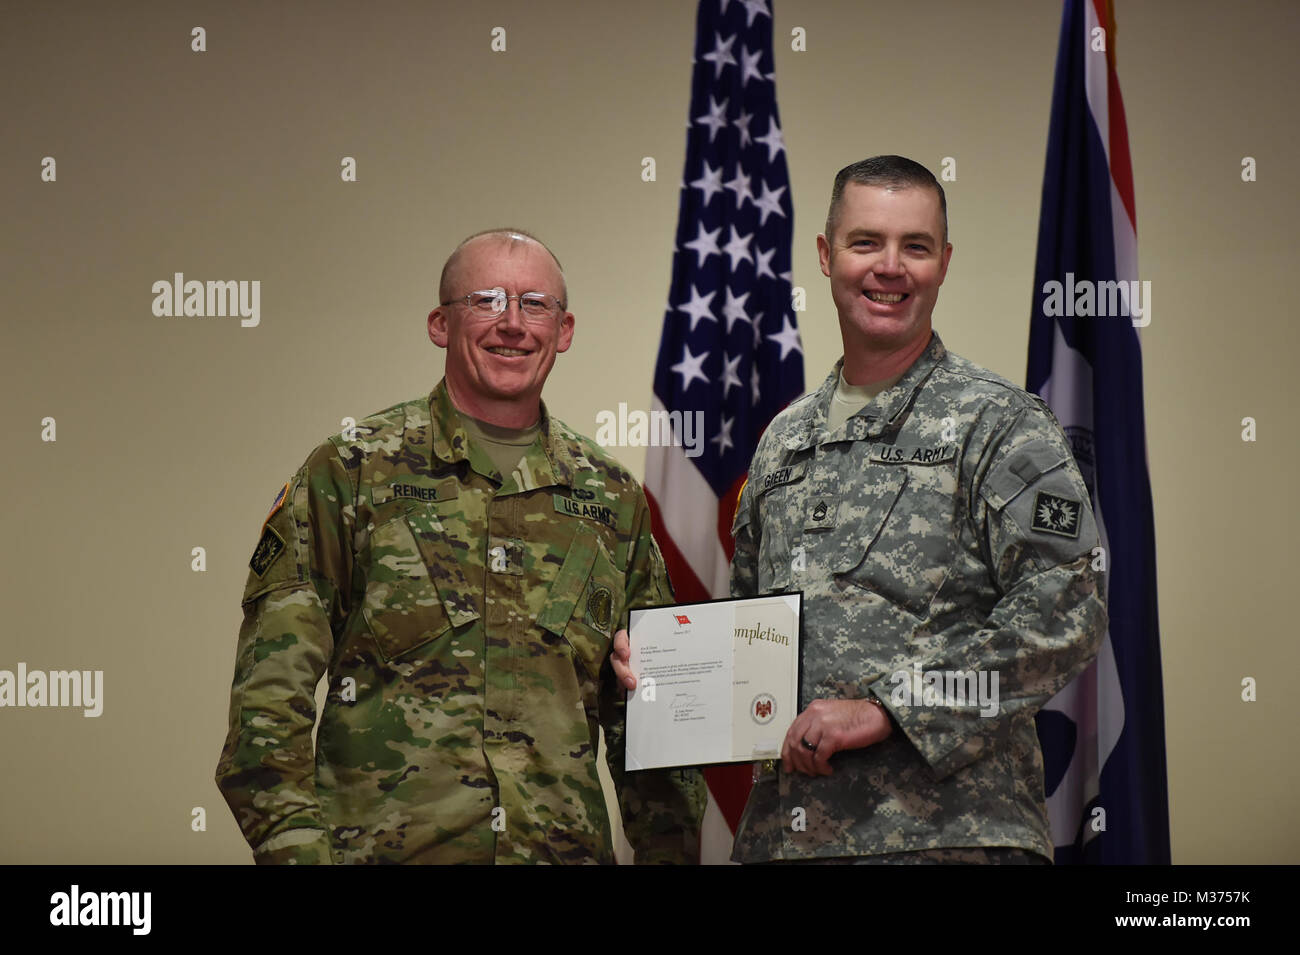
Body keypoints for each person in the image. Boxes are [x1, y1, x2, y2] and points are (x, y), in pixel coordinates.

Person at [614, 156, 1106, 863]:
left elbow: (1066, 610)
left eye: (916, 246)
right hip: (789, 838)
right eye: (866, 242)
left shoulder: (999, 423)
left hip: (953, 838)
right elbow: (755, 639)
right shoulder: (785, 439)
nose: (890, 267)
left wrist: (889, 710)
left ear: (943, 263)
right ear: (826, 254)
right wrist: (654, 670)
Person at [216, 228, 704, 864]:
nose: (512, 324)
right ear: (439, 323)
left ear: (565, 331)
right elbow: (267, 701)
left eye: (535, 305)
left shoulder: (612, 499)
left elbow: (649, 721)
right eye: (486, 300)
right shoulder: (353, 470)